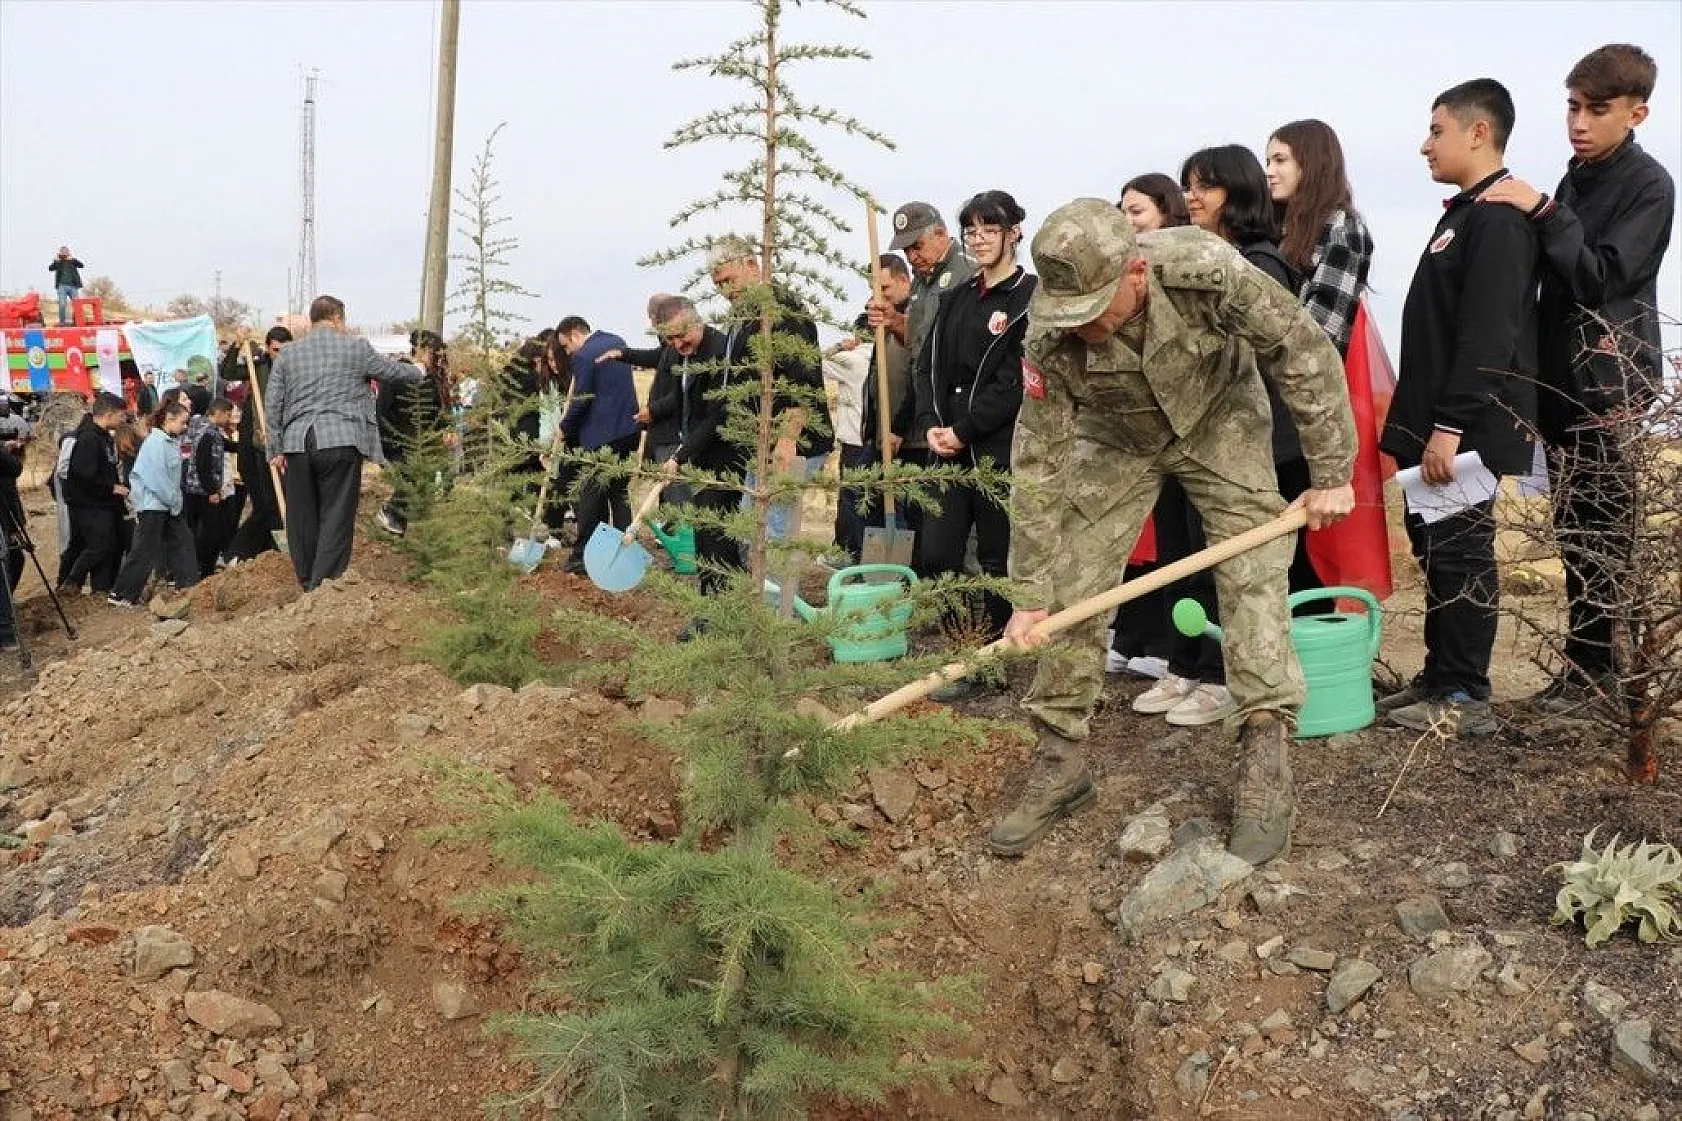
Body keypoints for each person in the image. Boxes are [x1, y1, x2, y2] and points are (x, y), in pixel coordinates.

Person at [990, 197, 1357, 864]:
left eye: (1094, 307)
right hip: (1119, 436)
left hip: (1221, 419)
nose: (1083, 326)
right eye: (1070, 311)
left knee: (1252, 575)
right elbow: (1038, 461)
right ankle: (1060, 759)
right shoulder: (1048, 334)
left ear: (1136, 271)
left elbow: (1297, 345)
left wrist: (1332, 468)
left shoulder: (1204, 269)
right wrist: (1029, 591)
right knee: (1071, 585)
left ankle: (1266, 751)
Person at [1481, 44, 1675, 716]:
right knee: (1571, 528)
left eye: (1597, 109)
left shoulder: (1650, 185)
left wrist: (1542, 210)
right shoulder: (1574, 178)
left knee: (1604, 534)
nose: (1579, 122)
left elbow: (1604, 276)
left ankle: (1603, 682)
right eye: (1572, 106)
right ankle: (1583, 673)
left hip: (1609, 386)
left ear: (1638, 111)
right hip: (1560, 385)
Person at [1377, 79, 1540, 735]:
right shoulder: (1464, 214)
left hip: (1467, 429)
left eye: (1437, 129)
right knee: (1439, 551)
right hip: (1441, 429)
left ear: (1478, 132)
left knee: (1463, 552)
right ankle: (1441, 676)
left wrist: (1448, 428)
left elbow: (1487, 335)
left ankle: (1466, 695)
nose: (1425, 144)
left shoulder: (1498, 218)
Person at [912, 189, 1036, 701]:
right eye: (972, 229)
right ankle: (962, 644)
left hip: (997, 447)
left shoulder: (1029, 299)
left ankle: (988, 659)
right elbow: (928, 367)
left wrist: (966, 428)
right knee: (936, 553)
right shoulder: (955, 298)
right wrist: (930, 425)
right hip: (946, 446)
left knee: (994, 555)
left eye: (991, 227)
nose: (979, 237)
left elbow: (1017, 382)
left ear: (1015, 234)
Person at [264, 295, 425, 590]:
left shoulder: (288, 354)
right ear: (338, 318)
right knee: (336, 514)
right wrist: (420, 370)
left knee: (302, 516)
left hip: (298, 443)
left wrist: (274, 448)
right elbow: (392, 372)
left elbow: (273, 402)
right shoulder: (356, 347)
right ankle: (324, 583)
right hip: (340, 440)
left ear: (313, 320)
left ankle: (306, 578)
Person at [1106, 173, 1192, 681]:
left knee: (1170, 542)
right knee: (1137, 537)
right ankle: (1133, 632)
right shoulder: (1122, 274)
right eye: (1122, 212)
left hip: (1173, 425)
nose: (1127, 221)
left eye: (1137, 212)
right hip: (1130, 426)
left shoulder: (1177, 269)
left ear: (1167, 213)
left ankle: (1166, 641)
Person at [708, 239, 834, 546]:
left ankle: (775, 596)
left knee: (772, 537)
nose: (726, 291)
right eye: (719, 284)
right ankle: (758, 594)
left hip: (790, 443)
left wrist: (788, 440)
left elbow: (800, 381)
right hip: (762, 442)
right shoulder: (743, 318)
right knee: (751, 533)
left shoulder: (780, 310)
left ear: (752, 265)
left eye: (730, 280)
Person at [877, 202, 977, 571]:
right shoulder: (922, 281)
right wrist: (893, 320)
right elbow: (920, 350)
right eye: (905, 249)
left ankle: (973, 612)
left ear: (941, 234)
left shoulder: (967, 270)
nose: (911, 256)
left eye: (916, 246)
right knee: (937, 519)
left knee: (964, 522)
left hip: (960, 411)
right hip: (929, 411)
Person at [634, 295, 737, 608]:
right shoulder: (680, 355)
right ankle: (713, 602)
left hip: (724, 451)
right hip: (698, 449)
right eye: (670, 338)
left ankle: (723, 604)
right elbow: (682, 402)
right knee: (705, 533)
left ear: (697, 322)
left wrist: (679, 455)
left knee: (717, 532)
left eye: (683, 335)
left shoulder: (719, 351)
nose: (678, 343)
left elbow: (717, 415)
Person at [1265, 119, 1376, 356]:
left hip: (1309, 381)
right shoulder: (1278, 229)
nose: (1269, 171)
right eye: (1268, 161)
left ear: (1312, 163)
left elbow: (1322, 330)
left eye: (1280, 160)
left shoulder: (1342, 226)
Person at [842, 253, 914, 563]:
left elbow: (917, 380)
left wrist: (899, 427)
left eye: (885, 288)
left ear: (903, 281)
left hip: (907, 435)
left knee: (898, 504)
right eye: (874, 290)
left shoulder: (915, 317)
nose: (879, 296)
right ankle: (870, 565)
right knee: (859, 494)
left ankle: (898, 568)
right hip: (879, 432)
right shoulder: (881, 320)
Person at [557, 316, 643, 575]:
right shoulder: (617, 342)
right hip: (629, 430)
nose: (567, 352)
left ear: (574, 335)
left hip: (601, 437)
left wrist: (564, 427)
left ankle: (583, 557)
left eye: (565, 346)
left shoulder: (584, 356)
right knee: (618, 492)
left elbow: (581, 399)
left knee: (590, 498)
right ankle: (625, 550)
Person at [110, 400, 198, 606]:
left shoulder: (168, 441)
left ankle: (187, 585)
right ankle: (122, 594)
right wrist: (175, 502)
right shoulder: (156, 443)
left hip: (164, 504)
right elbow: (157, 479)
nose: (185, 427)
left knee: (182, 542)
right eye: (183, 422)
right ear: (169, 419)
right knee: (144, 550)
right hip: (154, 506)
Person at [220, 325, 293, 562]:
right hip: (254, 448)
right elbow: (228, 371)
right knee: (265, 505)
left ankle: (253, 552)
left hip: (277, 446)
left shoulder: (295, 370)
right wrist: (237, 343)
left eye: (285, 350)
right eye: (276, 350)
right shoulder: (260, 367)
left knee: (272, 504)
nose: (280, 355)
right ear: (268, 348)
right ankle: (240, 552)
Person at [375, 330, 451, 537]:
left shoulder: (432, 379)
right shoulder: (398, 373)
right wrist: (387, 441)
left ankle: (397, 527)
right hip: (398, 439)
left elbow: (436, 411)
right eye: (434, 354)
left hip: (421, 442)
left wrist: (445, 429)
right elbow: (382, 409)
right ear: (421, 350)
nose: (437, 359)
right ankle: (390, 511)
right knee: (409, 477)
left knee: (418, 479)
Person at [59, 393, 131, 597]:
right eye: (120, 416)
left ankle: (102, 588)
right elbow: (84, 473)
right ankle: (71, 581)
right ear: (108, 415)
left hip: (105, 502)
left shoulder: (104, 437)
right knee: (100, 545)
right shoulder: (89, 438)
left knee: (112, 545)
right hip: (88, 503)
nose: (122, 420)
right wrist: (111, 488)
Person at [185, 398, 239, 578]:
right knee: (211, 531)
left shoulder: (207, 429)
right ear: (219, 413)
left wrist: (242, 447)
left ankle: (202, 566)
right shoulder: (207, 434)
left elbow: (224, 445)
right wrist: (212, 491)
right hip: (203, 491)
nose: (229, 418)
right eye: (228, 414)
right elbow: (203, 464)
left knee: (207, 529)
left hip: (197, 489)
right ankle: (205, 569)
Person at [49, 247, 84, 326]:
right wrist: (56, 260)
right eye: (62, 252)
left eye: (65, 252)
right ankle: (62, 322)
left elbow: (81, 265)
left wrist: (72, 259)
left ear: (68, 253)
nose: (64, 254)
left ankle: (77, 321)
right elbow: (50, 268)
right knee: (62, 304)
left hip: (73, 286)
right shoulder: (58, 262)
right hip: (62, 286)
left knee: (77, 305)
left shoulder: (72, 261)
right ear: (60, 253)